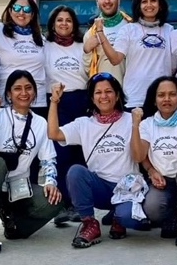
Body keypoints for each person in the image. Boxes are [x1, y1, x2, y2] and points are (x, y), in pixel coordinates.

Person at [48, 73, 143, 249]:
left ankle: (118, 216)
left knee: (130, 219)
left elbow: (139, 157)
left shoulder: (132, 119)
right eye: (98, 92)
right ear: (92, 98)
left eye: (108, 91)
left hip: (126, 189)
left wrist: (136, 125)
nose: (103, 96)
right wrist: (54, 101)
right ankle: (90, 223)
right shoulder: (84, 124)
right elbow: (53, 133)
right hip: (100, 188)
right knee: (75, 172)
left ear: (117, 95)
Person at [0, 70, 62, 254]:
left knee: (54, 201)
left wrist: (50, 182)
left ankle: (15, 224)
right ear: (8, 93)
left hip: (18, 187)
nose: (24, 93)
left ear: (35, 92)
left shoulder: (40, 123)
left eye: (28, 88)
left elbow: (48, 159)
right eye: (17, 88)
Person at [129, 76, 177, 239]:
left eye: (172, 94)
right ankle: (170, 216)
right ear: (154, 100)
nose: (167, 99)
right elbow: (139, 156)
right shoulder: (147, 124)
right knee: (152, 208)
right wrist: (135, 125)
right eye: (161, 95)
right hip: (162, 180)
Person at [44, 5, 87, 223]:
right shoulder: (45, 46)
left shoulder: (83, 45)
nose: (64, 24)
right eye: (59, 20)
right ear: (53, 24)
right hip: (57, 103)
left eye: (68, 20)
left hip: (82, 101)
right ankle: (62, 205)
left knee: (80, 155)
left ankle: (80, 205)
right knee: (61, 155)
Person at [102, 0, 173, 109]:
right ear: (138, 6)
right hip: (135, 99)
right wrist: (100, 33)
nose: (149, 5)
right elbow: (115, 59)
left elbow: (175, 65)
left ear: (160, 4)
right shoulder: (128, 30)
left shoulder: (170, 30)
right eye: (144, 1)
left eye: (153, 0)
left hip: (163, 99)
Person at [82, 0, 131, 83]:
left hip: (129, 89)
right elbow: (87, 71)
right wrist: (86, 51)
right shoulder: (91, 34)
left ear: (119, 0)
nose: (107, 1)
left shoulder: (131, 26)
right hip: (103, 90)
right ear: (97, 2)